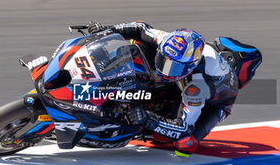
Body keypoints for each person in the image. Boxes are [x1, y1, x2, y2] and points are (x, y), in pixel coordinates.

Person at [88, 21, 239, 157]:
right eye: (163, 59)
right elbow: (140, 27)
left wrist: (147, 118)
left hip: (216, 102)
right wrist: (107, 31)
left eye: (174, 67)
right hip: (184, 77)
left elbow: (183, 128)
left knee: (185, 144)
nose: (166, 69)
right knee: (138, 43)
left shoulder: (196, 85)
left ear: (189, 67)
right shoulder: (168, 42)